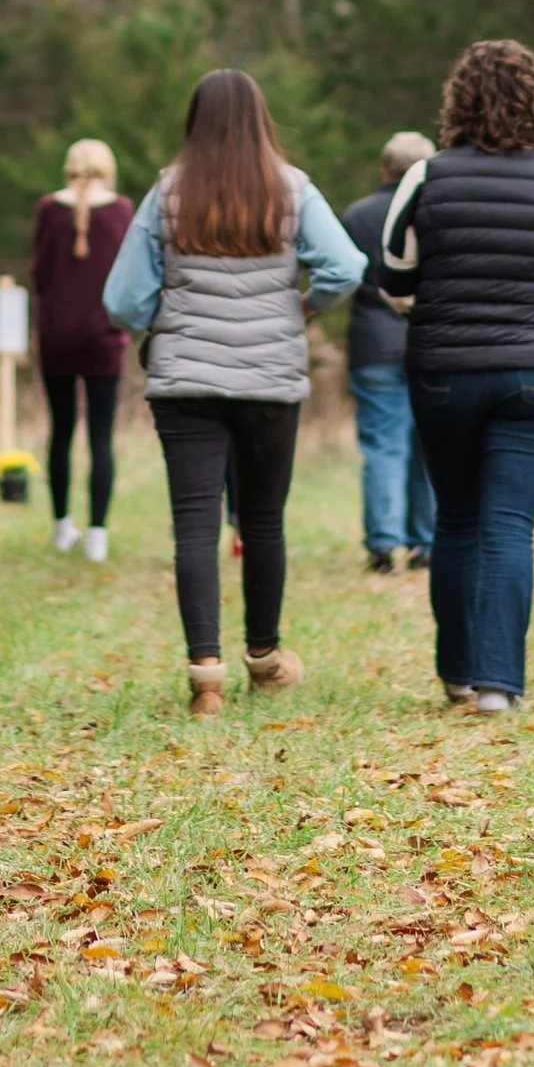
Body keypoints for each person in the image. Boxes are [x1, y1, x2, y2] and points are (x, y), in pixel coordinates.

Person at [104, 69, 364, 717]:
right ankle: (265, 658)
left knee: (193, 523)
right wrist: (304, 305)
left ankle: (205, 674)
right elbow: (347, 265)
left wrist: (163, 316)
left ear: (195, 121)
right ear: (260, 120)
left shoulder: (168, 191)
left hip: (184, 379)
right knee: (263, 520)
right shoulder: (291, 187)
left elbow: (121, 298)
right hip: (269, 380)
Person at [379, 37, 534, 719]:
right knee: (509, 522)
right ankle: (497, 685)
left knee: (454, 517)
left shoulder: (426, 177)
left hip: (445, 371)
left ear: (457, 102)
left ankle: (455, 673)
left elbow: (395, 282)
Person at [340, 129, 438, 576]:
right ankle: (426, 542)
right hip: (431, 340)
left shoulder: (357, 215)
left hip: (373, 341)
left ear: (384, 168)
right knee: (430, 444)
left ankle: (382, 546)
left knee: (383, 444)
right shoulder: (437, 211)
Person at [32, 137, 134, 559]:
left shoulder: (47, 209)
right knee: (100, 435)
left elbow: (39, 274)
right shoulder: (121, 210)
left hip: (56, 335)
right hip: (103, 337)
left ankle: (61, 527)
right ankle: (97, 536)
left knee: (60, 430)